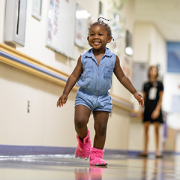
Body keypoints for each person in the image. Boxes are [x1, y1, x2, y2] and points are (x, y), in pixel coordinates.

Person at [57, 17, 144, 166]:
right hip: (84, 95)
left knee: (101, 128)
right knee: (79, 122)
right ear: (88, 38)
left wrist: (135, 93)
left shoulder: (113, 59)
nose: (96, 37)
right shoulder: (83, 58)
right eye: (92, 34)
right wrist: (65, 93)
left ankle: (96, 156)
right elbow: (73, 75)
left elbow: (122, 77)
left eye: (100, 34)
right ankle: (84, 141)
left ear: (109, 39)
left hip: (103, 98)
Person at [138, 66, 164, 158]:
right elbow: (143, 97)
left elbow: (161, 98)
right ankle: (145, 150)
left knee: (157, 129)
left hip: (156, 107)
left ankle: (157, 151)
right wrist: (141, 110)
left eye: (154, 70)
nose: (153, 71)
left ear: (156, 72)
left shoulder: (160, 84)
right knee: (146, 129)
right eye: (151, 70)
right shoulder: (146, 84)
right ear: (149, 72)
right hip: (147, 108)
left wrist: (157, 110)